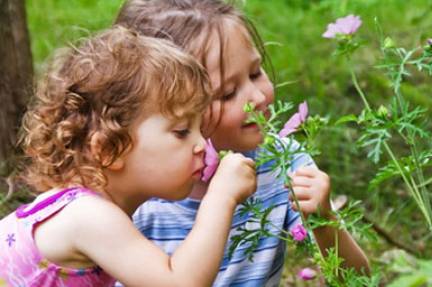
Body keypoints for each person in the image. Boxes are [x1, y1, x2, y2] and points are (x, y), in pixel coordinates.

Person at [115, 1, 370, 285]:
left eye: (255, 73)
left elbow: (357, 280)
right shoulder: (138, 196)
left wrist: (325, 222)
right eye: (227, 94)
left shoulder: (283, 165)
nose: (257, 98)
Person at [0, 26, 257, 286]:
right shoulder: (88, 216)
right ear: (109, 150)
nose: (202, 144)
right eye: (181, 131)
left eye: (199, 128)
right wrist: (221, 197)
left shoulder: (89, 208)